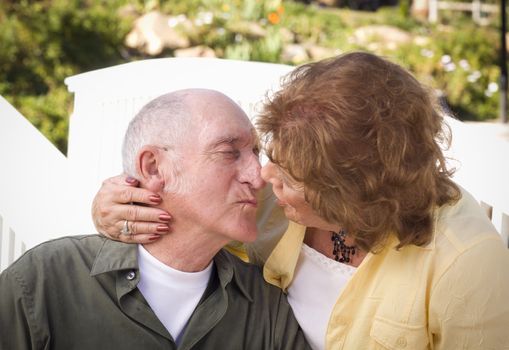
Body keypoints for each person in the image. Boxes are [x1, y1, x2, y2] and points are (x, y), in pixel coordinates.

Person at [92, 52, 509, 349]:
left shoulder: (466, 263)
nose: (262, 176)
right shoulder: (274, 200)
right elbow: (188, 216)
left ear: (353, 195)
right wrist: (117, 207)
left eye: (293, 177)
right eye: (270, 154)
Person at [0, 89, 310, 350]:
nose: (258, 177)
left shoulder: (268, 308)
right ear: (153, 168)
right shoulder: (42, 282)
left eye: (255, 153)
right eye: (229, 152)